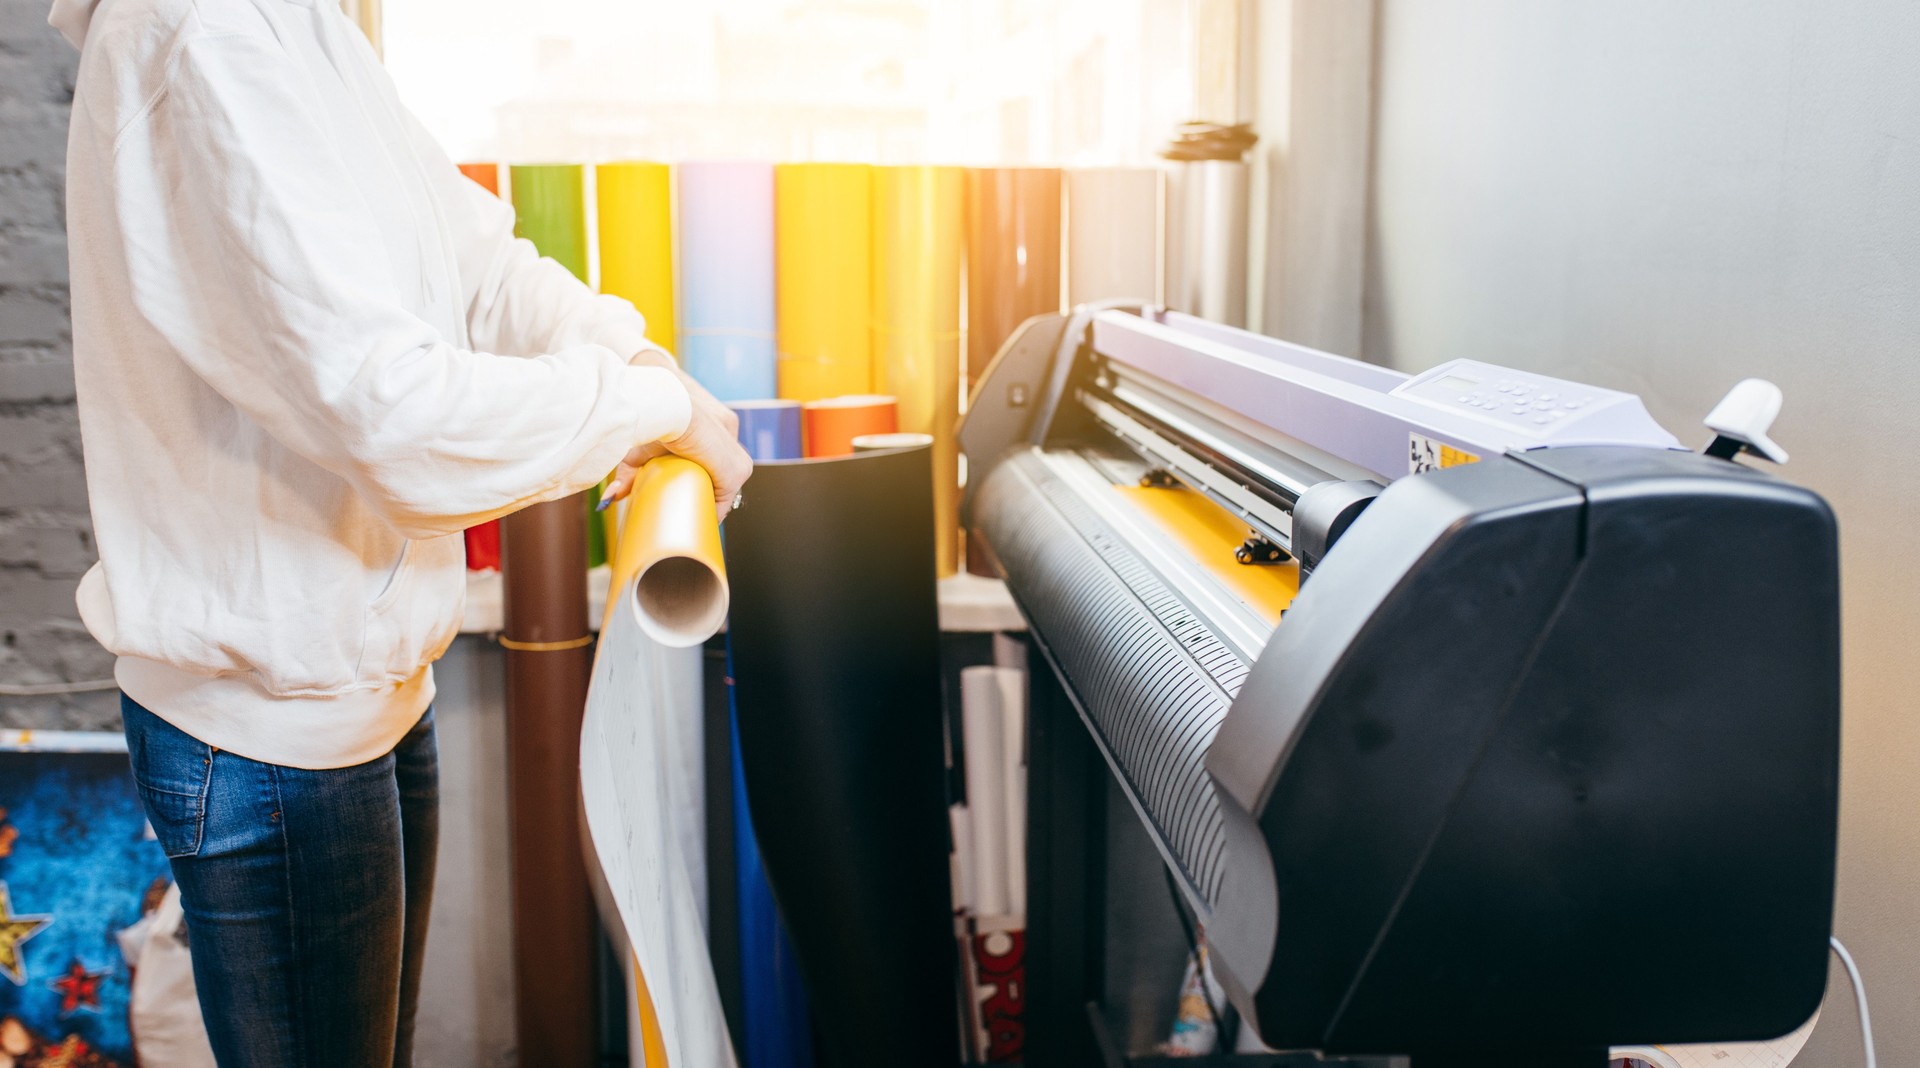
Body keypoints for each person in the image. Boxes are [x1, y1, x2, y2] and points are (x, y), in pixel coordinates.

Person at [48, 0, 752, 1061]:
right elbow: (391, 415)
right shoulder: (203, 33)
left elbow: (475, 264)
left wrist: (636, 362)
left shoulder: (305, 26)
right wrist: (646, 412)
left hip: (363, 694)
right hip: (272, 736)